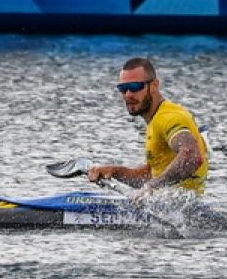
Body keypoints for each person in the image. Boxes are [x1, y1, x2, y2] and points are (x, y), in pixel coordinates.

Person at [88, 57, 208, 194]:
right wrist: (115, 171)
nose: (128, 95)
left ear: (154, 86)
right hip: (170, 208)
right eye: (123, 88)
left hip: (183, 210)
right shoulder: (156, 119)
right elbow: (151, 175)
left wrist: (152, 187)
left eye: (135, 87)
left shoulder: (169, 117)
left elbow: (192, 156)